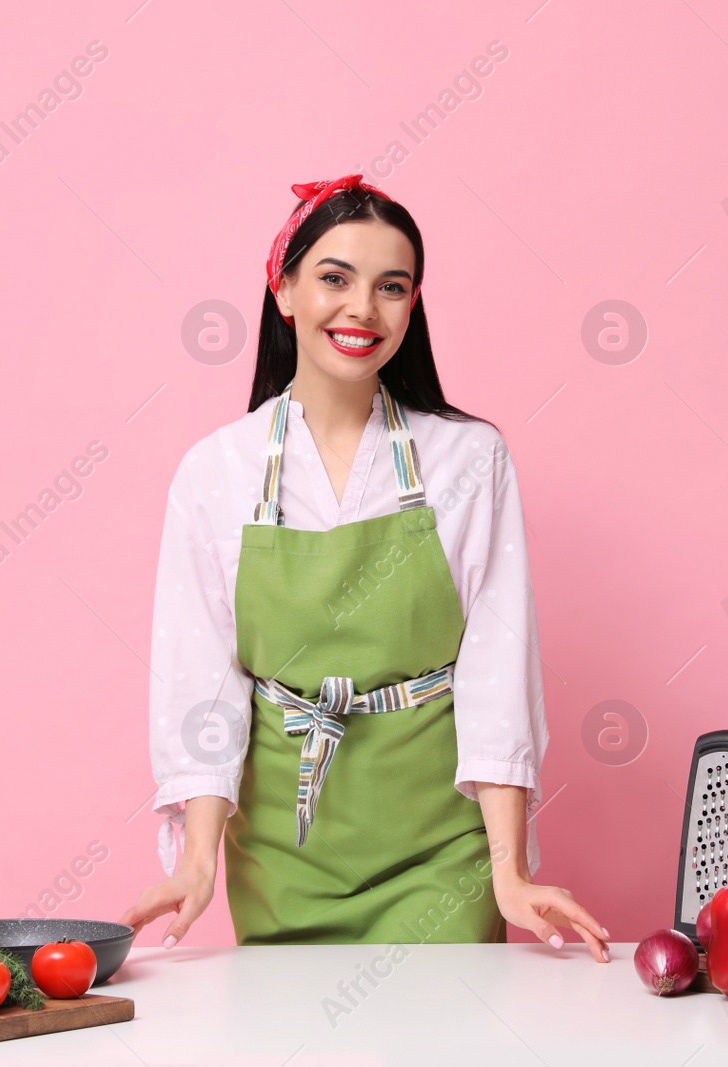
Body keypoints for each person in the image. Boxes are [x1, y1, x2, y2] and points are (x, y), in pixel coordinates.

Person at [120, 174, 608, 962]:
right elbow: (203, 678)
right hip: (281, 849)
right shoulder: (216, 471)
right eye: (334, 278)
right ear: (283, 290)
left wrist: (510, 874)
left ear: (413, 306)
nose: (362, 310)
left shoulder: (468, 459)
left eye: (392, 287)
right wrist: (198, 861)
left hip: (438, 850)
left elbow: (496, 669)